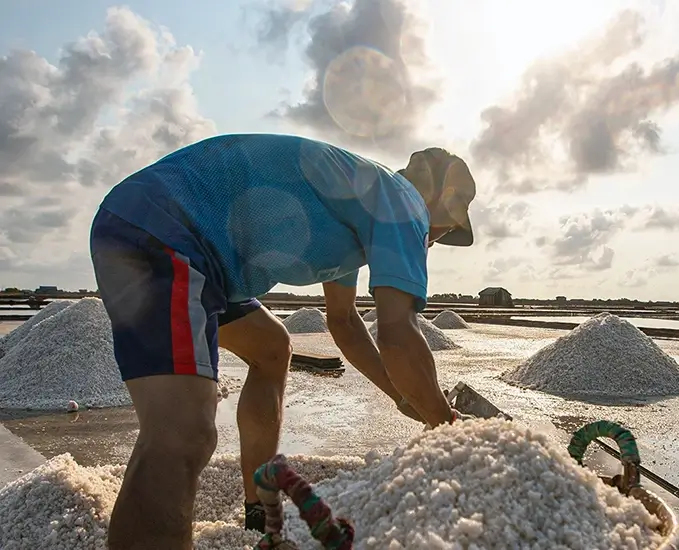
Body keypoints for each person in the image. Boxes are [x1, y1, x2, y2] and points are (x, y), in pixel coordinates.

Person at [89, 133, 478, 550]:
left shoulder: (366, 205)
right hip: (165, 230)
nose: (434, 240)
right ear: (439, 204)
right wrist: (448, 427)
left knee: (271, 348)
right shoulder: (406, 204)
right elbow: (398, 333)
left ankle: (259, 512)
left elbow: (345, 323)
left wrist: (405, 398)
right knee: (182, 432)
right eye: (444, 230)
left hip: (203, 258)